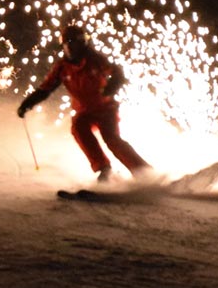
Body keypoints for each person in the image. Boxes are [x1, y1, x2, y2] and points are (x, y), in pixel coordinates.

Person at [16, 24, 155, 183]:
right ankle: (103, 168)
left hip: (105, 109)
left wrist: (111, 86)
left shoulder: (95, 59)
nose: (70, 47)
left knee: (111, 139)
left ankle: (143, 172)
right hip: (84, 111)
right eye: (67, 43)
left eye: (74, 42)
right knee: (78, 128)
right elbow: (46, 89)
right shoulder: (62, 67)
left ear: (82, 43)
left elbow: (117, 72)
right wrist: (27, 104)